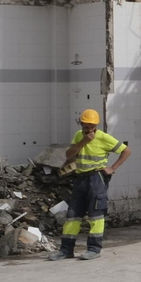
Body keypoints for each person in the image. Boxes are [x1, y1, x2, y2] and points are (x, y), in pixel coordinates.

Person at [51, 108, 130, 261]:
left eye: (90, 126)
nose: (88, 129)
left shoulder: (104, 137)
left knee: (96, 215)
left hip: (97, 178)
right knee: (73, 215)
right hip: (81, 178)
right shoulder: (79, 136)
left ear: (96, 125)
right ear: (81, 124)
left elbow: (126, 151)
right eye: (85, 126)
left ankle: (94, 249)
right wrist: (84, 141)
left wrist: (112, 168)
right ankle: (66, 250)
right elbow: (69, 155)